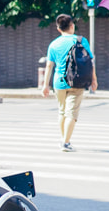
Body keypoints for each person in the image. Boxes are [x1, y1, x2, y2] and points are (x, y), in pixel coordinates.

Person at [40, 13, 98, 152]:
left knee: (62, 111)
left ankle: (64, 139)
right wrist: (94, 80)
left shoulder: (53, 44)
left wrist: (45, 85)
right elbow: (90, 61)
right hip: (77, 81)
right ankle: (65, 142)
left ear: (59, 28)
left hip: (59, 83)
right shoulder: (81, 40)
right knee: (71, 113)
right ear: (72, 26)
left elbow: (49, 66)